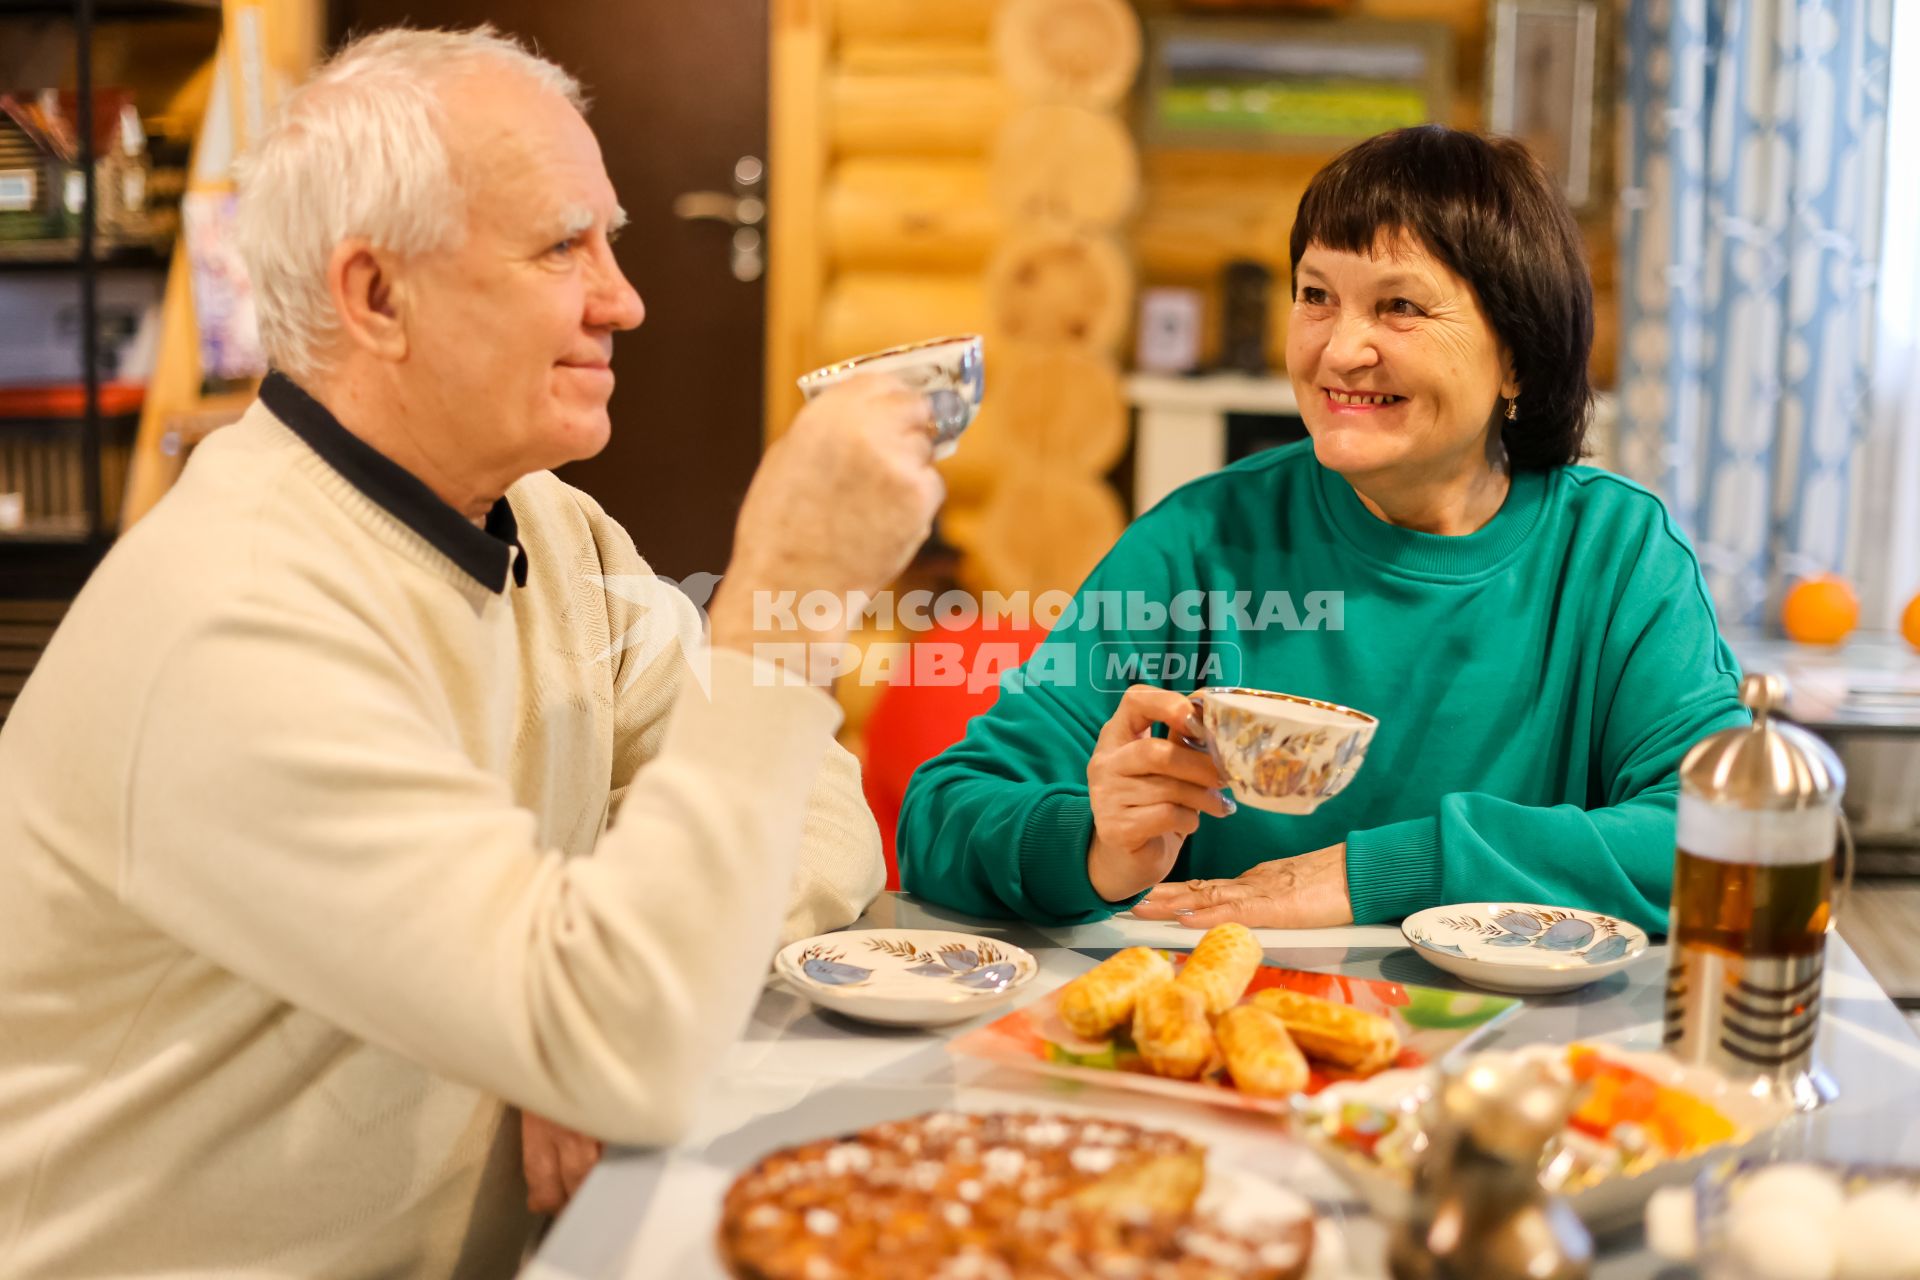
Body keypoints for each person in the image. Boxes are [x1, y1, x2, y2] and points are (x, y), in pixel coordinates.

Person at [0, 27, 941, 1278]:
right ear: (376, 295)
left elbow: (815, 814)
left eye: (613, 241)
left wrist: (586, 1003)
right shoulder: (239, 620)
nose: (626, 298)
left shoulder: (558, 529)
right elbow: (632, 1016)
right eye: (564, 246)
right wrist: (784, 596)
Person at [899, 126, 1747, 935]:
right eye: (1316, 297)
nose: (1340, 351)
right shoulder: (1202, 538)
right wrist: (1094, 845)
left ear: (1518, 355)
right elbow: (943, 817)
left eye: (1400, 307)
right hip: (1233, 1043)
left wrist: (1391, 870)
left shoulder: (1615, 554)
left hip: (1514, 1060)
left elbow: (1724, 837)